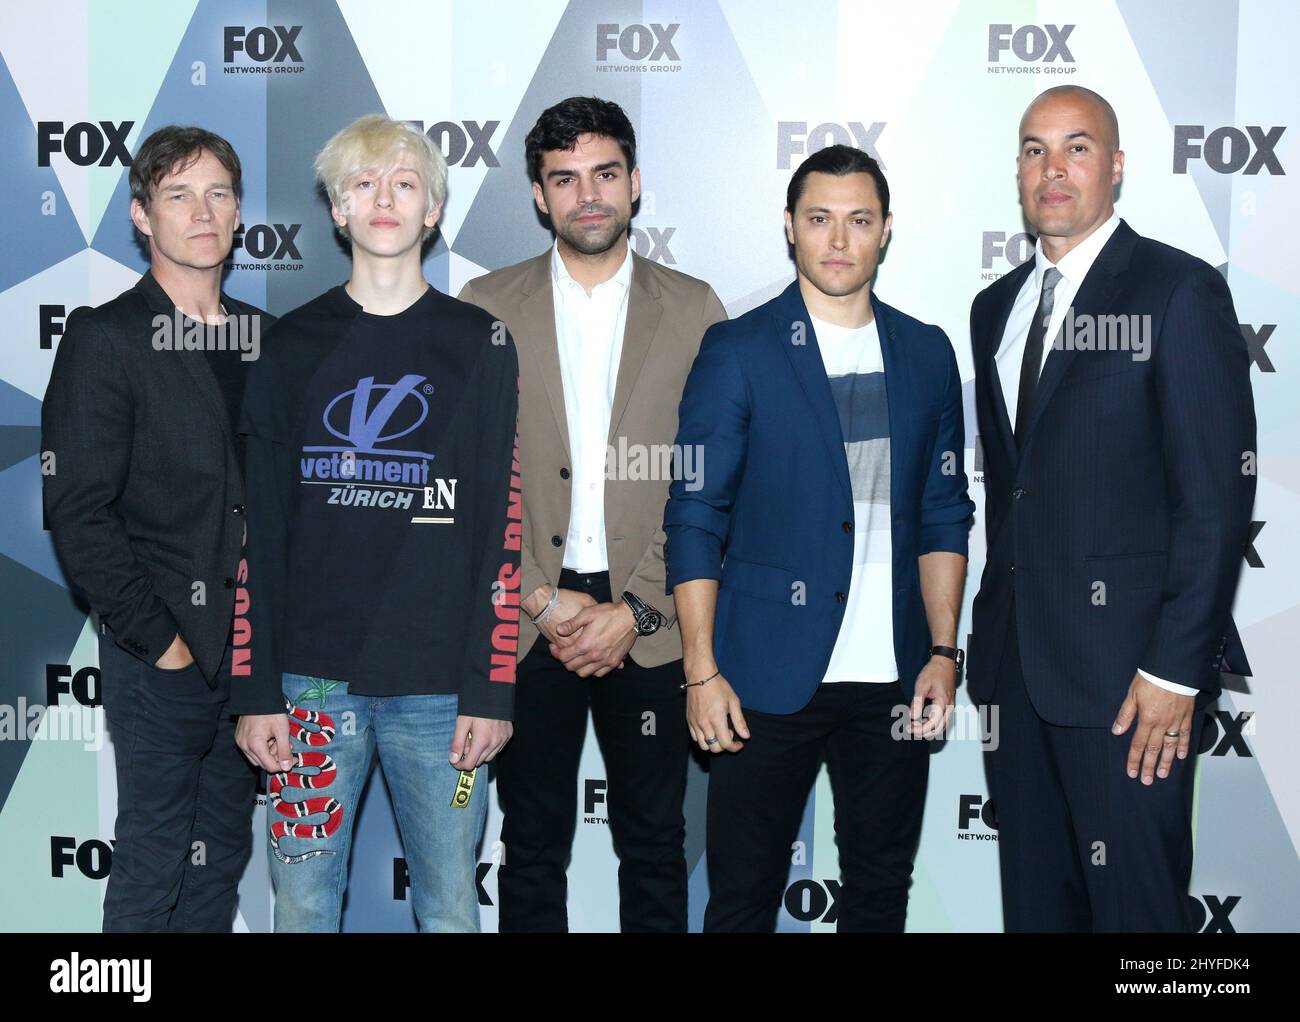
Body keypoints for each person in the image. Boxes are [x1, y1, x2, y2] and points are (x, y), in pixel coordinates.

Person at [967, 85, 1256, 932]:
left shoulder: (1178, 291)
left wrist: (1173, 672)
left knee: (1139, 919)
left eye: (1077, 147)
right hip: (1017, 677)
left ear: (1117, 167)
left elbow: (1214, 502)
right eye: (1034, 150)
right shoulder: (995, 309)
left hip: (1133, 686)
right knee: (1037, 910)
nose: (1053, 169)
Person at [665, 144, 974, 932]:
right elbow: (696, 513)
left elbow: (944, 509)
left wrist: (942, 651)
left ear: (886, 230)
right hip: (762, 677)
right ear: (790, 230)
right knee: (741, 900)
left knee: (879, 896)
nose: (839, 240)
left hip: (895, 680)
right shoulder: (739, 350)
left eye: (859, 220)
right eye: (820, 220)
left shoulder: (927, 353)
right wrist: (700, 668)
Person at [231, 114, 519, 932]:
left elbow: (501, 525)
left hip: (441, 692)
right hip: (310, 689)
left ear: (432, 209)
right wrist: (257, 691)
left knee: (453, 905)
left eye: (403, 183)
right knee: (304, 904)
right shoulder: (289, 348)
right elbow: (262, 532)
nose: (383, 197)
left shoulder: (481, 344)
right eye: (363, 183)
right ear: (337, 210)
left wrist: (490, 687)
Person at [458, 96, 726, 932]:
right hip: (529, 619)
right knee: (531, 844)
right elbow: (467, 481)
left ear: (634, 183)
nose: (588, 196)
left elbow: (710, 481)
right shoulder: (482, 305)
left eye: (605, 174)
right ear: (539, 196)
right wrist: (539, 595)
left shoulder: (694, 309)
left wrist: (636, 607)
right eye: (564, 179)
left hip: (647, 618)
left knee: (654, 842)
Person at [42, 125, 272, 931]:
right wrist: (162, 644)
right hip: (161, 664)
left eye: (217, 193)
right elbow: (77, 510)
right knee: (151, 867)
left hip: (249, 667)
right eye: (178, 195)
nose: (201, 212)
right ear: (143, 216)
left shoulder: (263, 339)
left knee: (219, 867)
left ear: (239, 211)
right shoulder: (106, 338)